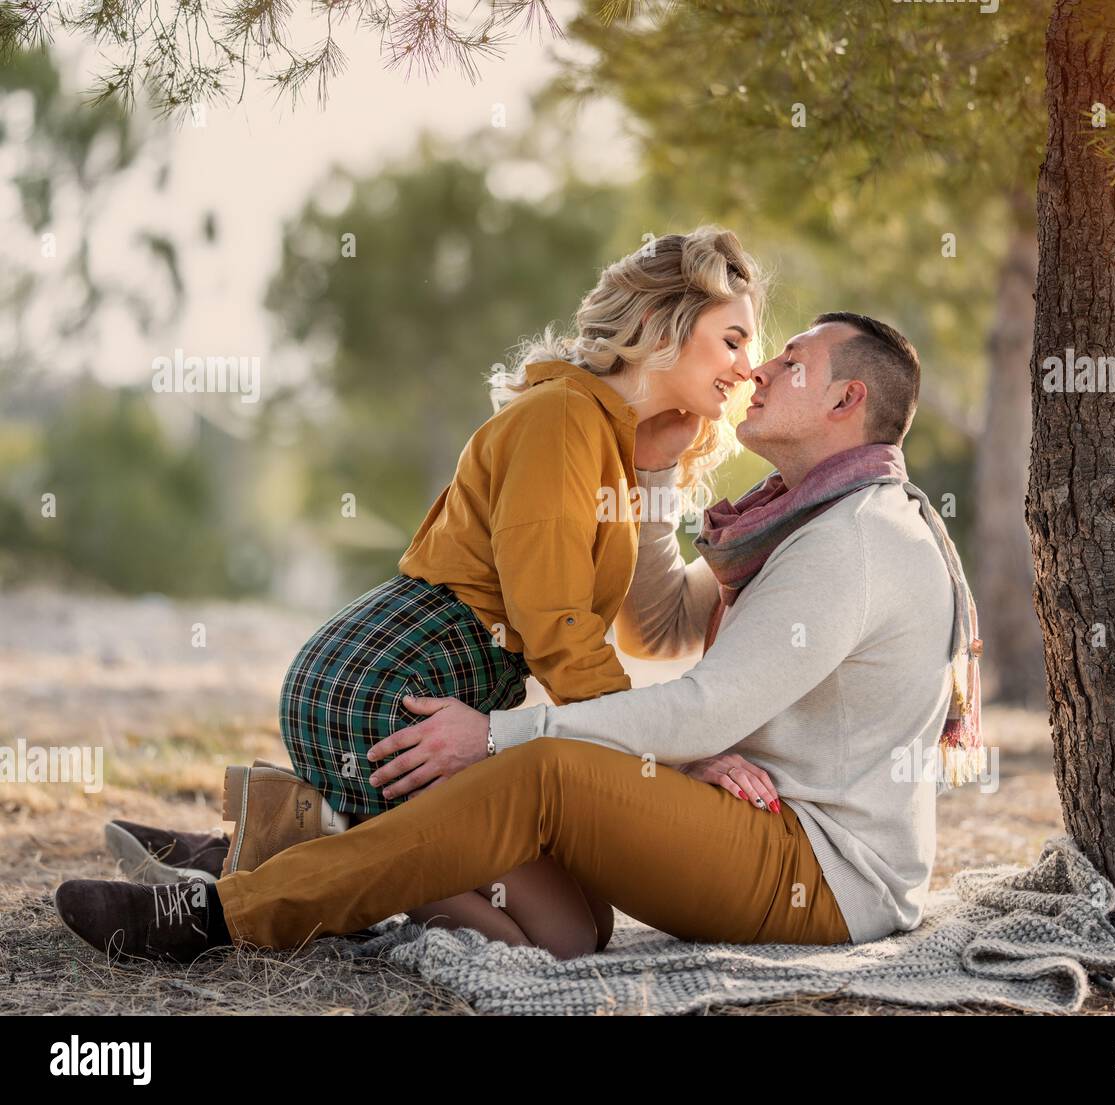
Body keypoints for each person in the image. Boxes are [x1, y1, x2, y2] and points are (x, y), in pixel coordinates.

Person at [57, 311, 984, 962]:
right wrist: (654, 463)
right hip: (770, 831)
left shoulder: (852, 542)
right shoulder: (806, 526)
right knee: (572, 928)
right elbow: (665, 620)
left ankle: (223, 914)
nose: (764, 370)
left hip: (819, 872)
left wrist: (496, 732)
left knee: (541, 770)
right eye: (764, 350)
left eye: (793, 361)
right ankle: (283, 846)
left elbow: (703, 710)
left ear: (845, 401)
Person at [99, 226, 765, 959]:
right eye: (732, 339)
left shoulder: (604, 436)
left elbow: (644, 629)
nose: (748, 365)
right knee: (564, 937)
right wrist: (669, 755)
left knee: (591, 918)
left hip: (436, 688)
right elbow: (559, 632)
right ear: (659, 323)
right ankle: (321, 846)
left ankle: (297, 829)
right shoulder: (565, 418)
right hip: (389, 688)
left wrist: (656, 467)